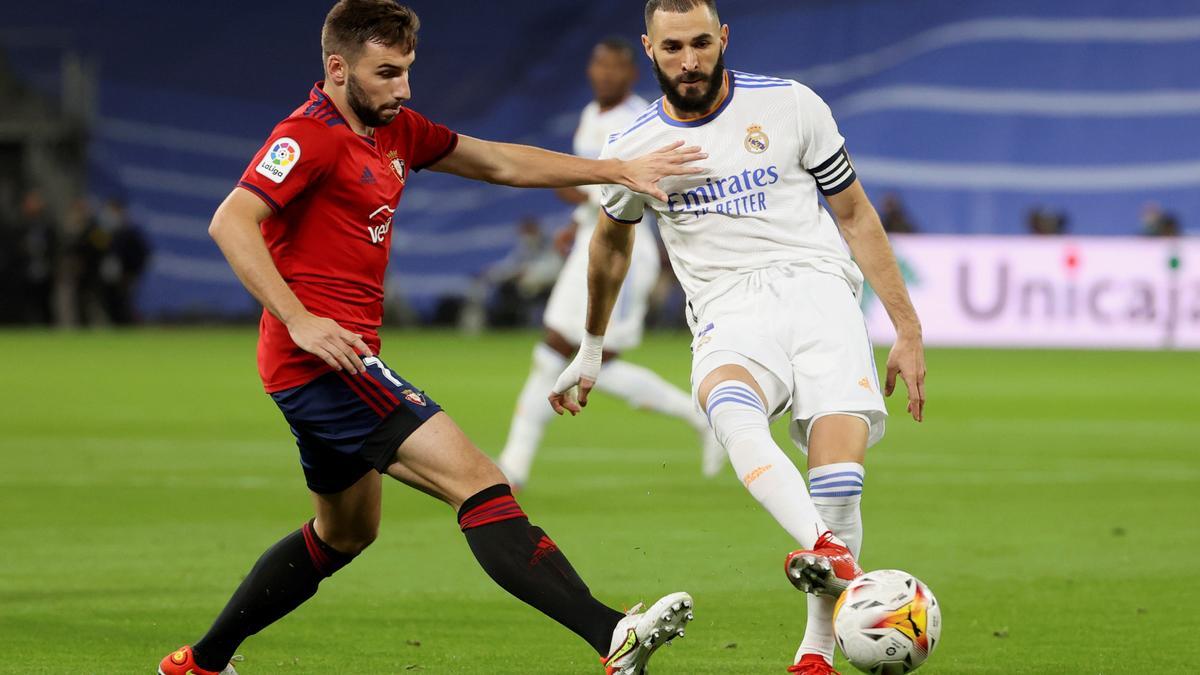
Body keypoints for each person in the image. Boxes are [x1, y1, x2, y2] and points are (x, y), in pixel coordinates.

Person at [156, 3, 704, 674]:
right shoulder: (307, 136)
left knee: (345, 531)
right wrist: (299, 317)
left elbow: (500, 163)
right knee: (479, 481)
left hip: (330, 363)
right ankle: (612, 633)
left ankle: (199, 663)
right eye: (386, 73)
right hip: (325, 362)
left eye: (407, 71)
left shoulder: (398, 132)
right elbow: (230, 222)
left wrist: (613, 171)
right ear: (337, 68)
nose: (403, 88)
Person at [549, 1, 926, 673]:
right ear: (650, 49)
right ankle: (825, 547)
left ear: (723, 38)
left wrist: (906, 324)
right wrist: (591, 346)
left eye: (700, 43)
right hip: (727, 306)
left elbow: (855, 213)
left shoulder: (791, 105)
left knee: (839, 483)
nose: (689, 60)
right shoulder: (631, 146)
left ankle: (816, 651)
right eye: (672, 48)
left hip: (819, 291)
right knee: (729, 407)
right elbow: (608, 249)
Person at [497, 37, 721, 491]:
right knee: (558, 349)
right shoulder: (591, 115)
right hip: (589, 238)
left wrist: (567, 188)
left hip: (624, 246)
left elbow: (623, 187)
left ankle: (512, 466)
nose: (605, 74)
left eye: (615, 67)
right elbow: (593, 193)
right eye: (599, 65)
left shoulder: (637, 121)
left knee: (577, 350)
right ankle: (512, 466)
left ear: (631, 73)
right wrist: (576, 216)